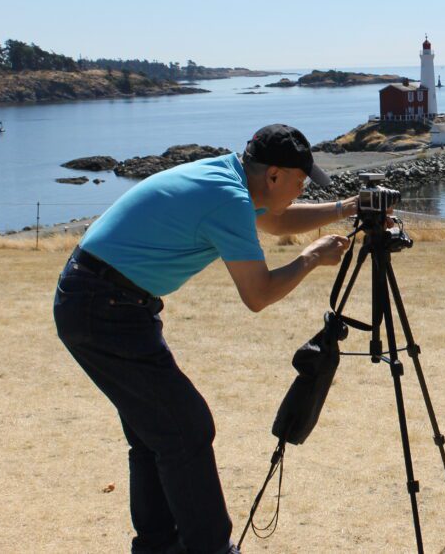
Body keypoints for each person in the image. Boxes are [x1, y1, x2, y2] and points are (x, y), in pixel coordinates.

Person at [53, 124, 357, 554]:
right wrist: (310, 258)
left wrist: (349, 207)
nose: (302, 187)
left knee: (155, 434)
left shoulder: (227, 177)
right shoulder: (229, 199)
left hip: (102, 300)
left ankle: (157, 545)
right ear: (272, 175)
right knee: (187, 429)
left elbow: (277, 220)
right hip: (104, 307)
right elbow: (258, 294)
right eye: (299, 180)